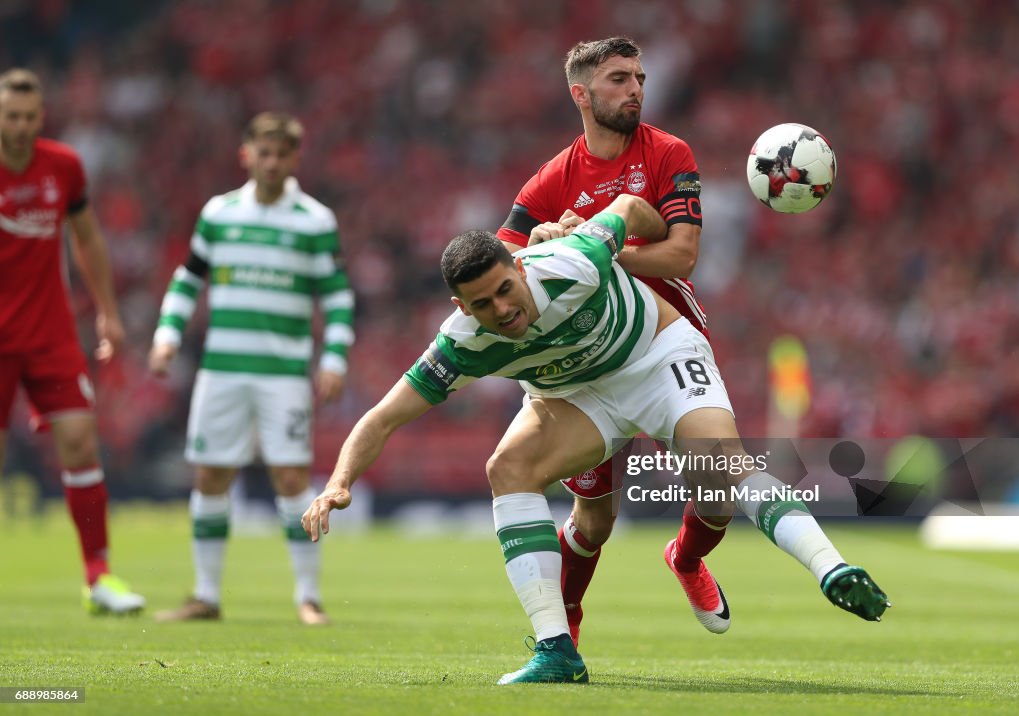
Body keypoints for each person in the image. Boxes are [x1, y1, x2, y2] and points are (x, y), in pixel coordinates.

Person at [302, 194, 890, 685]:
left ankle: (832, 570)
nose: (503, 309)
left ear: (519, 263)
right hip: (579, 397)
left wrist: (614, 230)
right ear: (461, 307)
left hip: (657, 358)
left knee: (719, 469)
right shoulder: (462, 342)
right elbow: (381, 417)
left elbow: (632, 206)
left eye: (506, 289)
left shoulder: (571, 259)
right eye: (482, 305)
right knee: (509, 469)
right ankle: (556, 650)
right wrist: (337, 483)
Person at [495, 37, 726, 645]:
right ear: (582, 94)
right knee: (594, 520)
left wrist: (590, 249)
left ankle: (686, 557)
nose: (636, 89)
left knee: (716, 481)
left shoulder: (668, 151)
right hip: (587, 365)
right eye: (620, 78)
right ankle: (564, 622)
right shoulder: (551, 180)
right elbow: (501, 269)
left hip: (663, 341)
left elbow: (683, 254)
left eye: (640, 77)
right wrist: (544, 241)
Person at [149, 112, 354, 626]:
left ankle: (308, 597)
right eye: (264, 152)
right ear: (247, 155)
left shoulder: (313, 220)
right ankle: (205, 596)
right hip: (221, 370)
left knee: (289, 476)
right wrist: (167, 335)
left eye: (282, 154)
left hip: (283, 373)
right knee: (212, 474)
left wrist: (333, 358)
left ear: (294, 159)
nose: (272, 162)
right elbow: (186, 280)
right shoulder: (218, 214)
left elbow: (338, 297)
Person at [0, 68, 145, 614]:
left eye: (27, 116)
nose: (17, 126)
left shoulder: (63, 167)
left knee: (82, 441)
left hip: (48, 330)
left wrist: (108, 312)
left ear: (41, 117)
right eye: (9, 116)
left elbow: (87, 238)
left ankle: (98, 576)